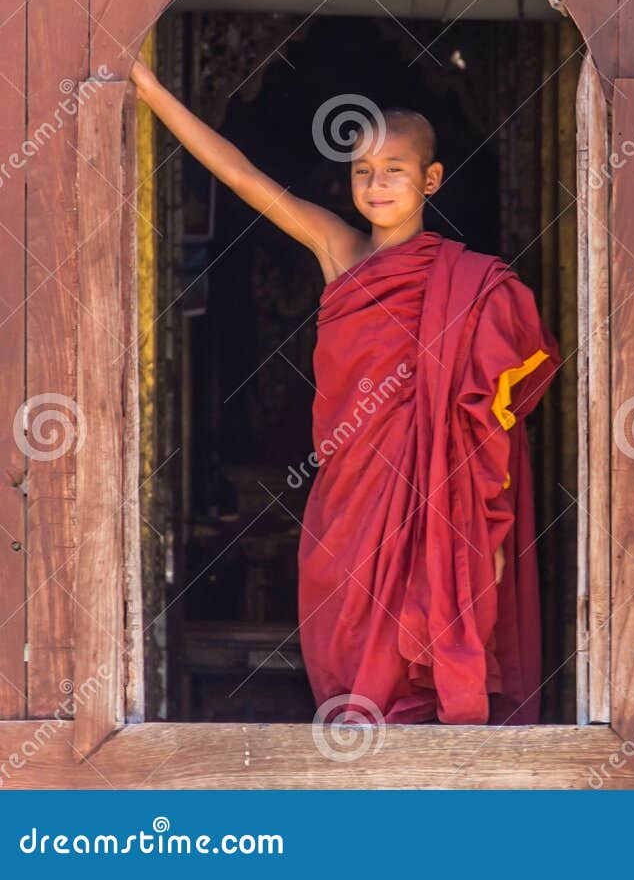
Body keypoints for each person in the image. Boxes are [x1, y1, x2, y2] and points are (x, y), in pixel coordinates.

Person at [130, 60, 560, 725]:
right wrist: (153, 92)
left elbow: (484, 419)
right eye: (363, 171)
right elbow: (245, 178)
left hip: (433, 501)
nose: (378, 183)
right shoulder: (340, 250)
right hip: (350, 499)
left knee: (424, 651)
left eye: (394, 168)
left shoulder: (469, 284)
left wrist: (489, 533)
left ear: (430, 179)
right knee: (349, 637)